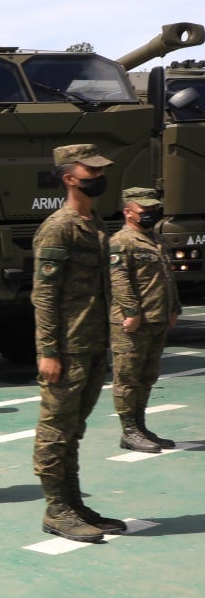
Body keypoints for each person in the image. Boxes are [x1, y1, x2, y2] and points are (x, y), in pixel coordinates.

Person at [31, 144, 126, 542]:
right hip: (67, 348)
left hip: (91, 342)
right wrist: (48, 351)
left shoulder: (95, 222)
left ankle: (72, 501)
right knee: (55, 429)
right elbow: (44, 296)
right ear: (70, 178)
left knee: (74, 428)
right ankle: (57, 510)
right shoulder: (60, 227)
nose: (100, 177)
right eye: (93, 171)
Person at [109, 186, 182, 453]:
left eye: (154, 210)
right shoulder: (121, 241)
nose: (150, 214)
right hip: (133, 322)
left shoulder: (158, 240)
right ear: (128, 212)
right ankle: (129, 431)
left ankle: (140, 427)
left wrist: (174, 308)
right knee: (128, 378)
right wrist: (131, 311)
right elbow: (119, 280)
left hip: (158, 318)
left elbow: (167, 278)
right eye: (145, 210)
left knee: (147, 376)